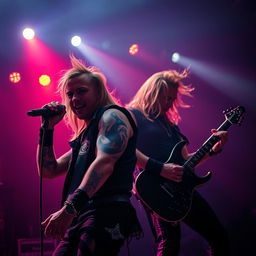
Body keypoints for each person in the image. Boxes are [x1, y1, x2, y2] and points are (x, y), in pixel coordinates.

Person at [36, 55, 142, 256]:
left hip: (106, 211)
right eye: (70, 94)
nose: (74, 98)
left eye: (81, 91)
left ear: (98, 92)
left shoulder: (112, 116)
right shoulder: (87, 134)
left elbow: (104, 163)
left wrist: (69, 208)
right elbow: (48, 170)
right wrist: (46, 129)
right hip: (81, 214)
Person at [126, 69, 229, 256]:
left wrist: (214, 150)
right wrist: (161, 169)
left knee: (219, 236)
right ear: (153, 93)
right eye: (166, 98)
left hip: (181, 190)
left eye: (172, 99)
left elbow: (187, 162)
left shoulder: (171, 126)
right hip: (154, 189)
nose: (169, 103)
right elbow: (123, 147)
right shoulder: (133, 115)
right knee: (169, 245)